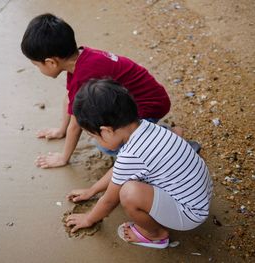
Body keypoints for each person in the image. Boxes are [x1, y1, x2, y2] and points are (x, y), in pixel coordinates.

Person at [65, 79, 213, 249]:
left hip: (190, 213)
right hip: (200, 194)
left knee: (129, 193)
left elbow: (109, 201)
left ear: (106, 131)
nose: (95, 141)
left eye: (94, 136)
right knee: (132, 179)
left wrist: (89, 218)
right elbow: (120, 169)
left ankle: (155, 235)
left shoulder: (131, 155)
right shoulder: (147, 127)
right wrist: (92, 191)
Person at [21, 13, 174, 168]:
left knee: (107, 145)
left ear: (51, 62)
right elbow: (70, 98)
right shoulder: (81, 58)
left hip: (150, 105)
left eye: (37, 65)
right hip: (144, 98)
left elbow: (76, 125)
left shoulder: (84, 75)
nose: (38, 69)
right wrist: (61, 131)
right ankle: (151, 134)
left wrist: (63, 158)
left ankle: (159, 138)